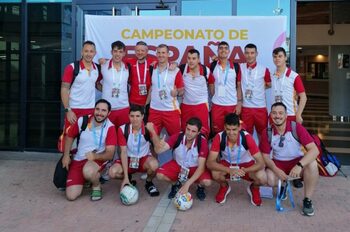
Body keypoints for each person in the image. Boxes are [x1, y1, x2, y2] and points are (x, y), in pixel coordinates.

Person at [259, 102, 319, 216]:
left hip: (297, 163)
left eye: (281, 113)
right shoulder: (267, 132)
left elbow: (314, 150)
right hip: (278, 164)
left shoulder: (296, 128)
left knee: (312, 164)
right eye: (274, 113)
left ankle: (307, 200)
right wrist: (276, 170)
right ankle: (284, 185)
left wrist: (299, 166)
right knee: (270, 179)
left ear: (286, 115)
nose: (277, 116)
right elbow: (265, 156)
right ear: (270, 115)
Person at [62, 99, 117, 201]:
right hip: (79, 159)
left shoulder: (110, 127)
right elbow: (69, 136)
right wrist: (66, 155)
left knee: (88, 171)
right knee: (71, 196)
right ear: (94, 109)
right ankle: (86, 179)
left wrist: (95, 156)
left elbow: (110, 154)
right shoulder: (83, 120)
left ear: (109, 113)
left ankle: (96, 185)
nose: (100, 113)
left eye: (104, 110)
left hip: (96, 159)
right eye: (97, 109)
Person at [206, 113, 266, 206]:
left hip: (245, 165)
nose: (231, 133)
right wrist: (229, 170)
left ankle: (254, 188)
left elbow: (261, 163)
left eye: (234, 129)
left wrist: (245, 170)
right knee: (215, 173)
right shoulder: (219, 137)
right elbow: (210, 163)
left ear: (239, 127)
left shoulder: (247, 137)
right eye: (228, 129)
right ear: (224, 127)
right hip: (227, 164)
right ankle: (224, 186)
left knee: (262, 177)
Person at [146, 117, 212, 201]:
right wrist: (156, 137)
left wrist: (187, 184)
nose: (189, 133)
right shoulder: (178, 136)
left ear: (198, 132)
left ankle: (200, 187)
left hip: (195, 168)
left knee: (207, 182)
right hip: (178, 165)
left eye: (193, 131)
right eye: (188, 129)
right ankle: (176, 184)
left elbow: (201, 168)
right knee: (160, 175)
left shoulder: (202, 142)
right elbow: (158, 151)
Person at [108, 105, 160, 197]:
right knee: (112, 172)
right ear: (128, 116)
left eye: (137, 116)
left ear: (142, 116)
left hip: (143, 159)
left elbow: (157, 147)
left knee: (154, 165)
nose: (135, 119)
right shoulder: (122, 129)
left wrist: (153, 132)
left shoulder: (149, 127)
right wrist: (126, 178)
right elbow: (123, 152)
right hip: (128, 159)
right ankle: (128, 179)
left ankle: (149, 183)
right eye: (132, 116)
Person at [61, 40, 100, 131]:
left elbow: (97, 85)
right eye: (86, 51)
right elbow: (64, 89)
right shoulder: (72, 67)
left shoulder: (97, 68)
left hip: (90, 111)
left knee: (87, 140)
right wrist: (68, 110)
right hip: (74, 110)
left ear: (95, 53)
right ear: (81, 52)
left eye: (91, 51)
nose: (88, 54)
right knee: (69, 140)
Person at [147, 44, 184, 136]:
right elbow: (151, 88)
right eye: (158, 53)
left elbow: (181, 90)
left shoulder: (175, 70)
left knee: (176, 139)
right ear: (156, 54)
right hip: (154, 110)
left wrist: (177, 93)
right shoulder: (152, 68)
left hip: (171, 110)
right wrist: (145, 106)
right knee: (152, 138)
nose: (161, 55)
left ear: (168, 54)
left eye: (163, 53)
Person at [208, 41, 243, 135]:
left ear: (229, 51)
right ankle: (218, 149)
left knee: (232, 132)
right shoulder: (213, 65)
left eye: (225, 48)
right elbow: (210, 83)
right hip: (217, 105)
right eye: (221, 48)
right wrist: (214, 95)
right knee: (217, 132)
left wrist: (239, 103)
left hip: (232, 104)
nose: (223, 50)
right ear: (217, 50)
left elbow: (239, 86)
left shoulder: (235, 66)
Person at [240, 43, 271, 139]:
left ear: (256, 54)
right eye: (247, 53)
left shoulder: (264, 69)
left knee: (263, 135)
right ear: (244, 54)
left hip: (260, 108)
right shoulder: (240, 67)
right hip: (246, 108)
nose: (250, 55)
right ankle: (248, 154)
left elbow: (269, 84)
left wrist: (258, 88)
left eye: (252, 53)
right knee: (246, 135)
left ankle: (263, 154)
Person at [96, 40, 130, 128]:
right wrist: (105, 90)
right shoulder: (103, 66)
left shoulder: (127, 67)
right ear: (111, 52)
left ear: (124, 53)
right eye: (115, 51)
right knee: (107, 137)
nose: (117, 54)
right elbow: (96, 83)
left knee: (123, 137)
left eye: (120, 52)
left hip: (124, 108)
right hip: (108, 109)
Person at [180, 49, 212, 138]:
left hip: (201, 105)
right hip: (186, 105)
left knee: (203, 131)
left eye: (194, 58)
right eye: (189, 58)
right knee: (185, 132)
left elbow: (212, 85)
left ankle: (202, 151)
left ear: (198, 59)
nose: (191, 61)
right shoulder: (182, 69)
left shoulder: (206, 70)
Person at [271, 47, 307, 123]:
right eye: (275, 57)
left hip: (290, 115)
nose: (277, 59)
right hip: (275, 115)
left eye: (280, 56)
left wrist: (298, 114)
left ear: (285, 58)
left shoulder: (294, 76)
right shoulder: (271, 74)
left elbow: (303, 97)